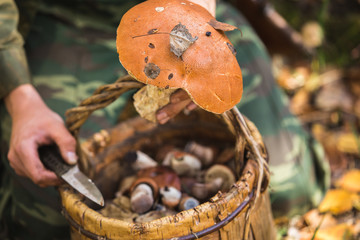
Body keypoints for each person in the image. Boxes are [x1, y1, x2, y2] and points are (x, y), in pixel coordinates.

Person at [0, 0, 330, 239]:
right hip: (70, 20)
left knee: (285, 184)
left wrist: (197, 19)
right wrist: (21, 99)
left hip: (182, 12)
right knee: (53, 220)